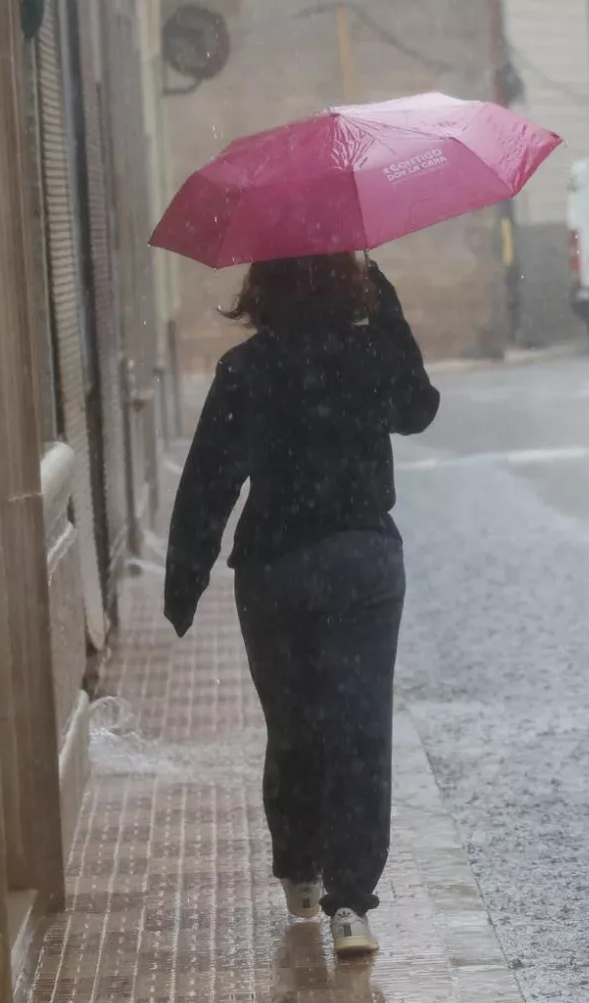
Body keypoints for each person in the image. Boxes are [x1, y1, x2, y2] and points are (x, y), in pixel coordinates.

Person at [164, 252, 440, 957]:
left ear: (263, 288)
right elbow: (418, 408)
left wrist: (185, 579)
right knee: (360, 727)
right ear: (347, 284)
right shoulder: (367, 355)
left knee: (294, 725)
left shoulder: (245, 369)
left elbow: (209, 481)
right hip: (361, 560)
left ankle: (300, 869)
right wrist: (387, 307)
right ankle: (352, 905)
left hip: (275, 569)